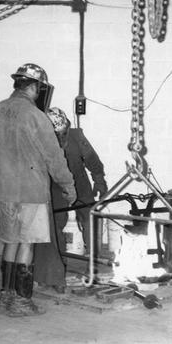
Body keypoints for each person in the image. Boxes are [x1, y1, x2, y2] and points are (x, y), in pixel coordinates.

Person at [0, 63, 76, 317]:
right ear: (33, 87)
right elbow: (54, 157)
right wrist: (68, 185)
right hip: (31, 190)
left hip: (4, 190)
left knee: (10, 241)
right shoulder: (35, 116)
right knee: (27, 244)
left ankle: (5, 295)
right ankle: (21, 300)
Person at [43, 107, 108, 259]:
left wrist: (99, 180)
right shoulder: (41, 140)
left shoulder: (76, 136)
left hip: (79, 183)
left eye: (62, 133)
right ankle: (56, 261)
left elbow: (92, 159)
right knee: (55, 222)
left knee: (89, 216)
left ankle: (93, 258)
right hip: (55, 186)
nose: (60, 136)